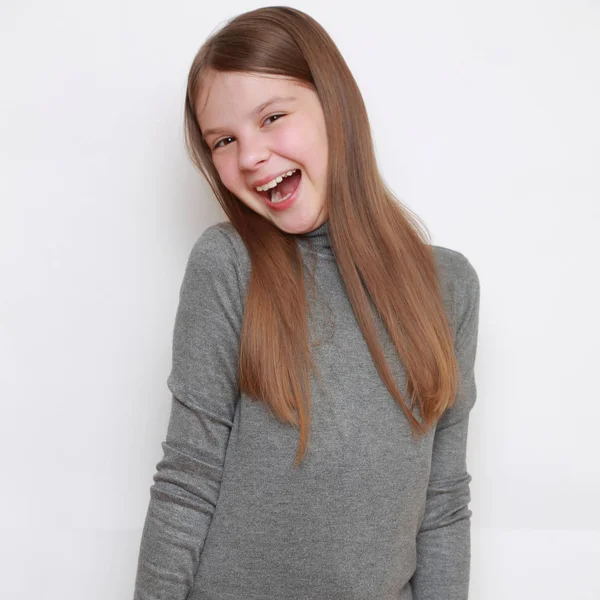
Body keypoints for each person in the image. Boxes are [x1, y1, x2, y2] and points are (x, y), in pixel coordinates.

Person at [133, 6, 481, 600]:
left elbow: (442, 502)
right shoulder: (228, 265)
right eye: (224, 140)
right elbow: (187, 480)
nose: (249, 157)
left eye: (272, 117)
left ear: (335, 108)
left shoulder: (448, 287)